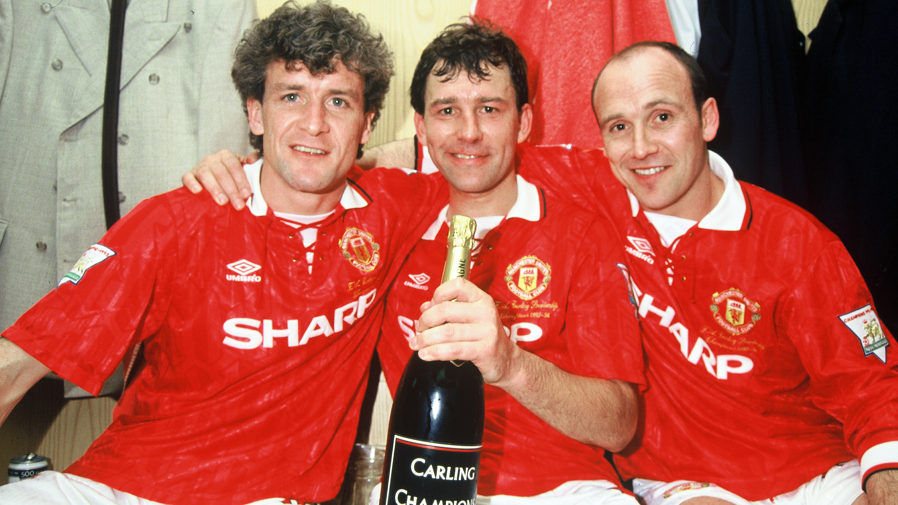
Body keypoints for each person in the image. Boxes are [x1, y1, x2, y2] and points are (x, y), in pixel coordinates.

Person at [0, 2, 463, 503]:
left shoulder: (392, 207)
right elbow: (16, 364)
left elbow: (484, 157)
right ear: (254, 112)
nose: (314, 124)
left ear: (366, 123)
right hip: (127, 489)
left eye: (337, 103)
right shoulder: (179, 221)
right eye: (291, 97)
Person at [185, 21, 645, 505]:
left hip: (565, 490)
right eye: (447, 111)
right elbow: (309, 175)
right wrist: (244, 170)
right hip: (420, 484)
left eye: (489, 109)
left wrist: (510, 364)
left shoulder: (581, 233)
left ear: (524, 122)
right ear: (421, 126)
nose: (469, 132)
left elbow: (618, 426)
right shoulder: (388, 225)